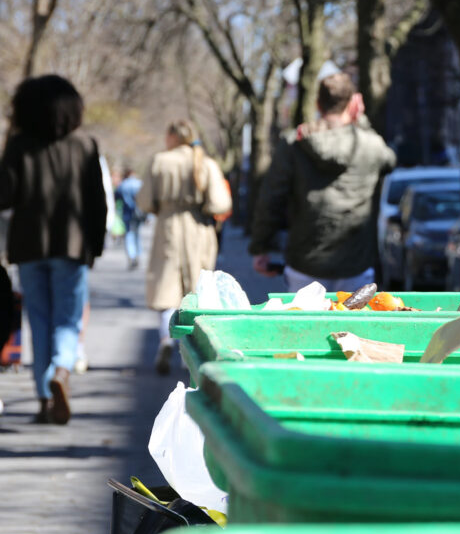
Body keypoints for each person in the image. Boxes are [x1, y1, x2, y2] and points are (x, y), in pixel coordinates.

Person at [0, 75, 107, 424]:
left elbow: (5, 196)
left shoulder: (19, 146)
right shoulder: (85, 145)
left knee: (40, 321)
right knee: (67, 318)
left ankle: (45, 398)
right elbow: (97, 202)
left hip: (29, 246)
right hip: (72, 246)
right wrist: (97, 245)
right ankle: (62, 369)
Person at [250, 73, 395, 292]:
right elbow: (389, 161)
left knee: (305, 325)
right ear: (352, 103)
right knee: (355, 326)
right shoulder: (370, 145)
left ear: (318, 104)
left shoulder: (294, 143)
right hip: (356, 263)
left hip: (305, 262)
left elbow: (272, 197)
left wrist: (261, 247)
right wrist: (361, 121)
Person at [137, 121, 231, 374]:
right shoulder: (207, 163)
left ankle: (166, 340)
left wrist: (163, 207)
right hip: (198, 230)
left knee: (166, 289)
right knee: (196, 292)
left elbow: (144, 200)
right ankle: (187, 352)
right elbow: (221, 203)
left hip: (167, 228)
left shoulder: (160, 161)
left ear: (171, 137)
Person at [115, 166, 144, 269]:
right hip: (139, 214)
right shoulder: (139, 184)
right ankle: (137, 254)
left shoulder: (123, 185)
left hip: (127, 213)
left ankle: (132, 256)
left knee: (129, 235)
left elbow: (116, 198)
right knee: (136, 234)